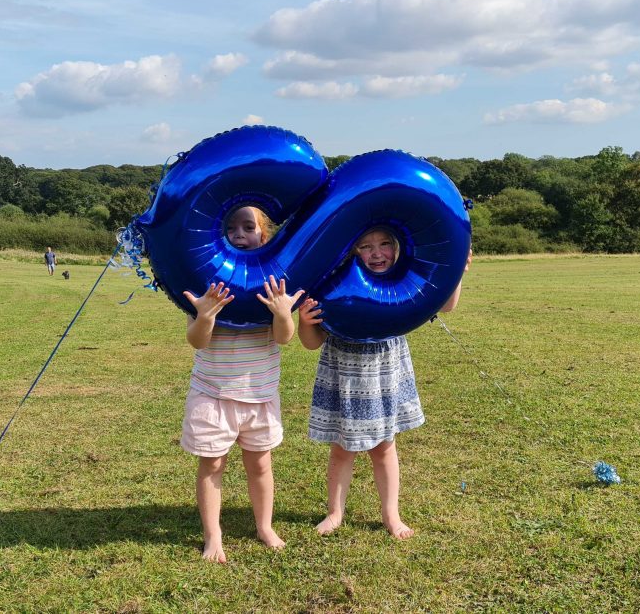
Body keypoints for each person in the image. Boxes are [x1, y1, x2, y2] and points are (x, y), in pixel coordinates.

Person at [298, 227, 470, 540]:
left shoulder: (402, 284)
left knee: (385, 448)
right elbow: (311, 342)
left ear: (397, 246)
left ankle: (391, 514)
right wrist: (305, 322)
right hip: (344, 374)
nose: (377, 253)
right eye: (365, 246)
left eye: (384, 244)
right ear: (352, 252)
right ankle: (335, 512)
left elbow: (445, 305)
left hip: (384, 373)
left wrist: (455, 271)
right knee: (341, 450)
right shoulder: (335, 285)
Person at [180, 206, 302, 563]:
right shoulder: (208, 282)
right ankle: (213, 534)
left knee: (260, 464)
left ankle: (264, 525)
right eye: (230, 227)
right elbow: (197, 341)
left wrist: (282, 313)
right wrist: (205, 315)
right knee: (212, 465)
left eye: (248, 227)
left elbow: (284, 338)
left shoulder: (274, 283)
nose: (239, 233)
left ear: (263, 235)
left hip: (259, 396)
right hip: (212, 394)